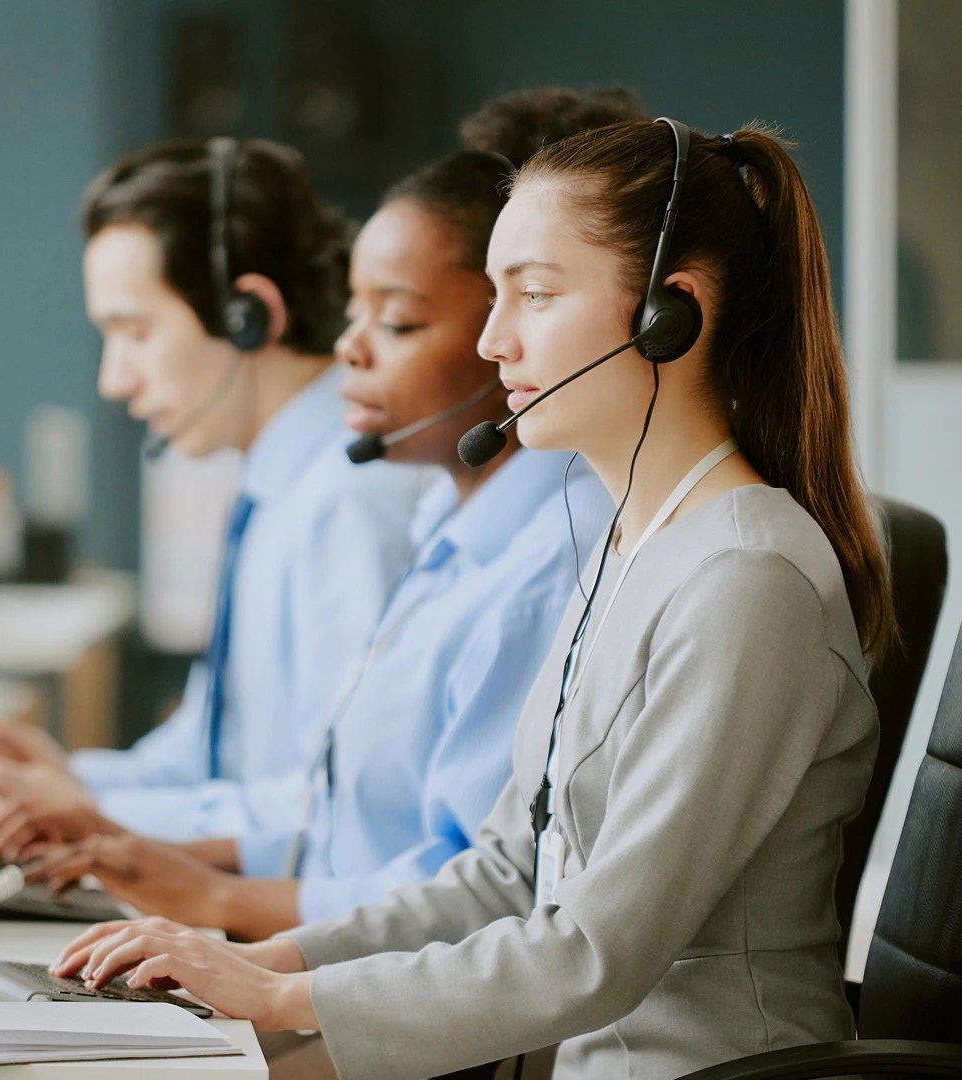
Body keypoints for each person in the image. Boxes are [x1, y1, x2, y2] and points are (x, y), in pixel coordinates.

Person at [53, 118, 893, 1080]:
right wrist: (262, 961)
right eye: (496, 297)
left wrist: (286, 1002)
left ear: (671, 311)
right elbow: (502, 877)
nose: (495, 340)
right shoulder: (628, 544)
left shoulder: (748, 581)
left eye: (534, 295)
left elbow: (594, 952)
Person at [0, 91, 638, 947]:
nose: (114, 378)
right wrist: (85, 797)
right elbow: (309, 786)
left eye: (134, 331)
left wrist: (179, 876)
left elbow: (464, 877)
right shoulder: (434, 512)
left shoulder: (380, 507)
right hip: (337, 946)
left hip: (384, 971)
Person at [0, 138, 428, 876]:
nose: (113, 379)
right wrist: (66, 780)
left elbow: (336, 809)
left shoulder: (353, 501)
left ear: (247, 315)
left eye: (134, 331)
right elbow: (211, 755)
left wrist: (83, 809)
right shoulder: (280, 487)